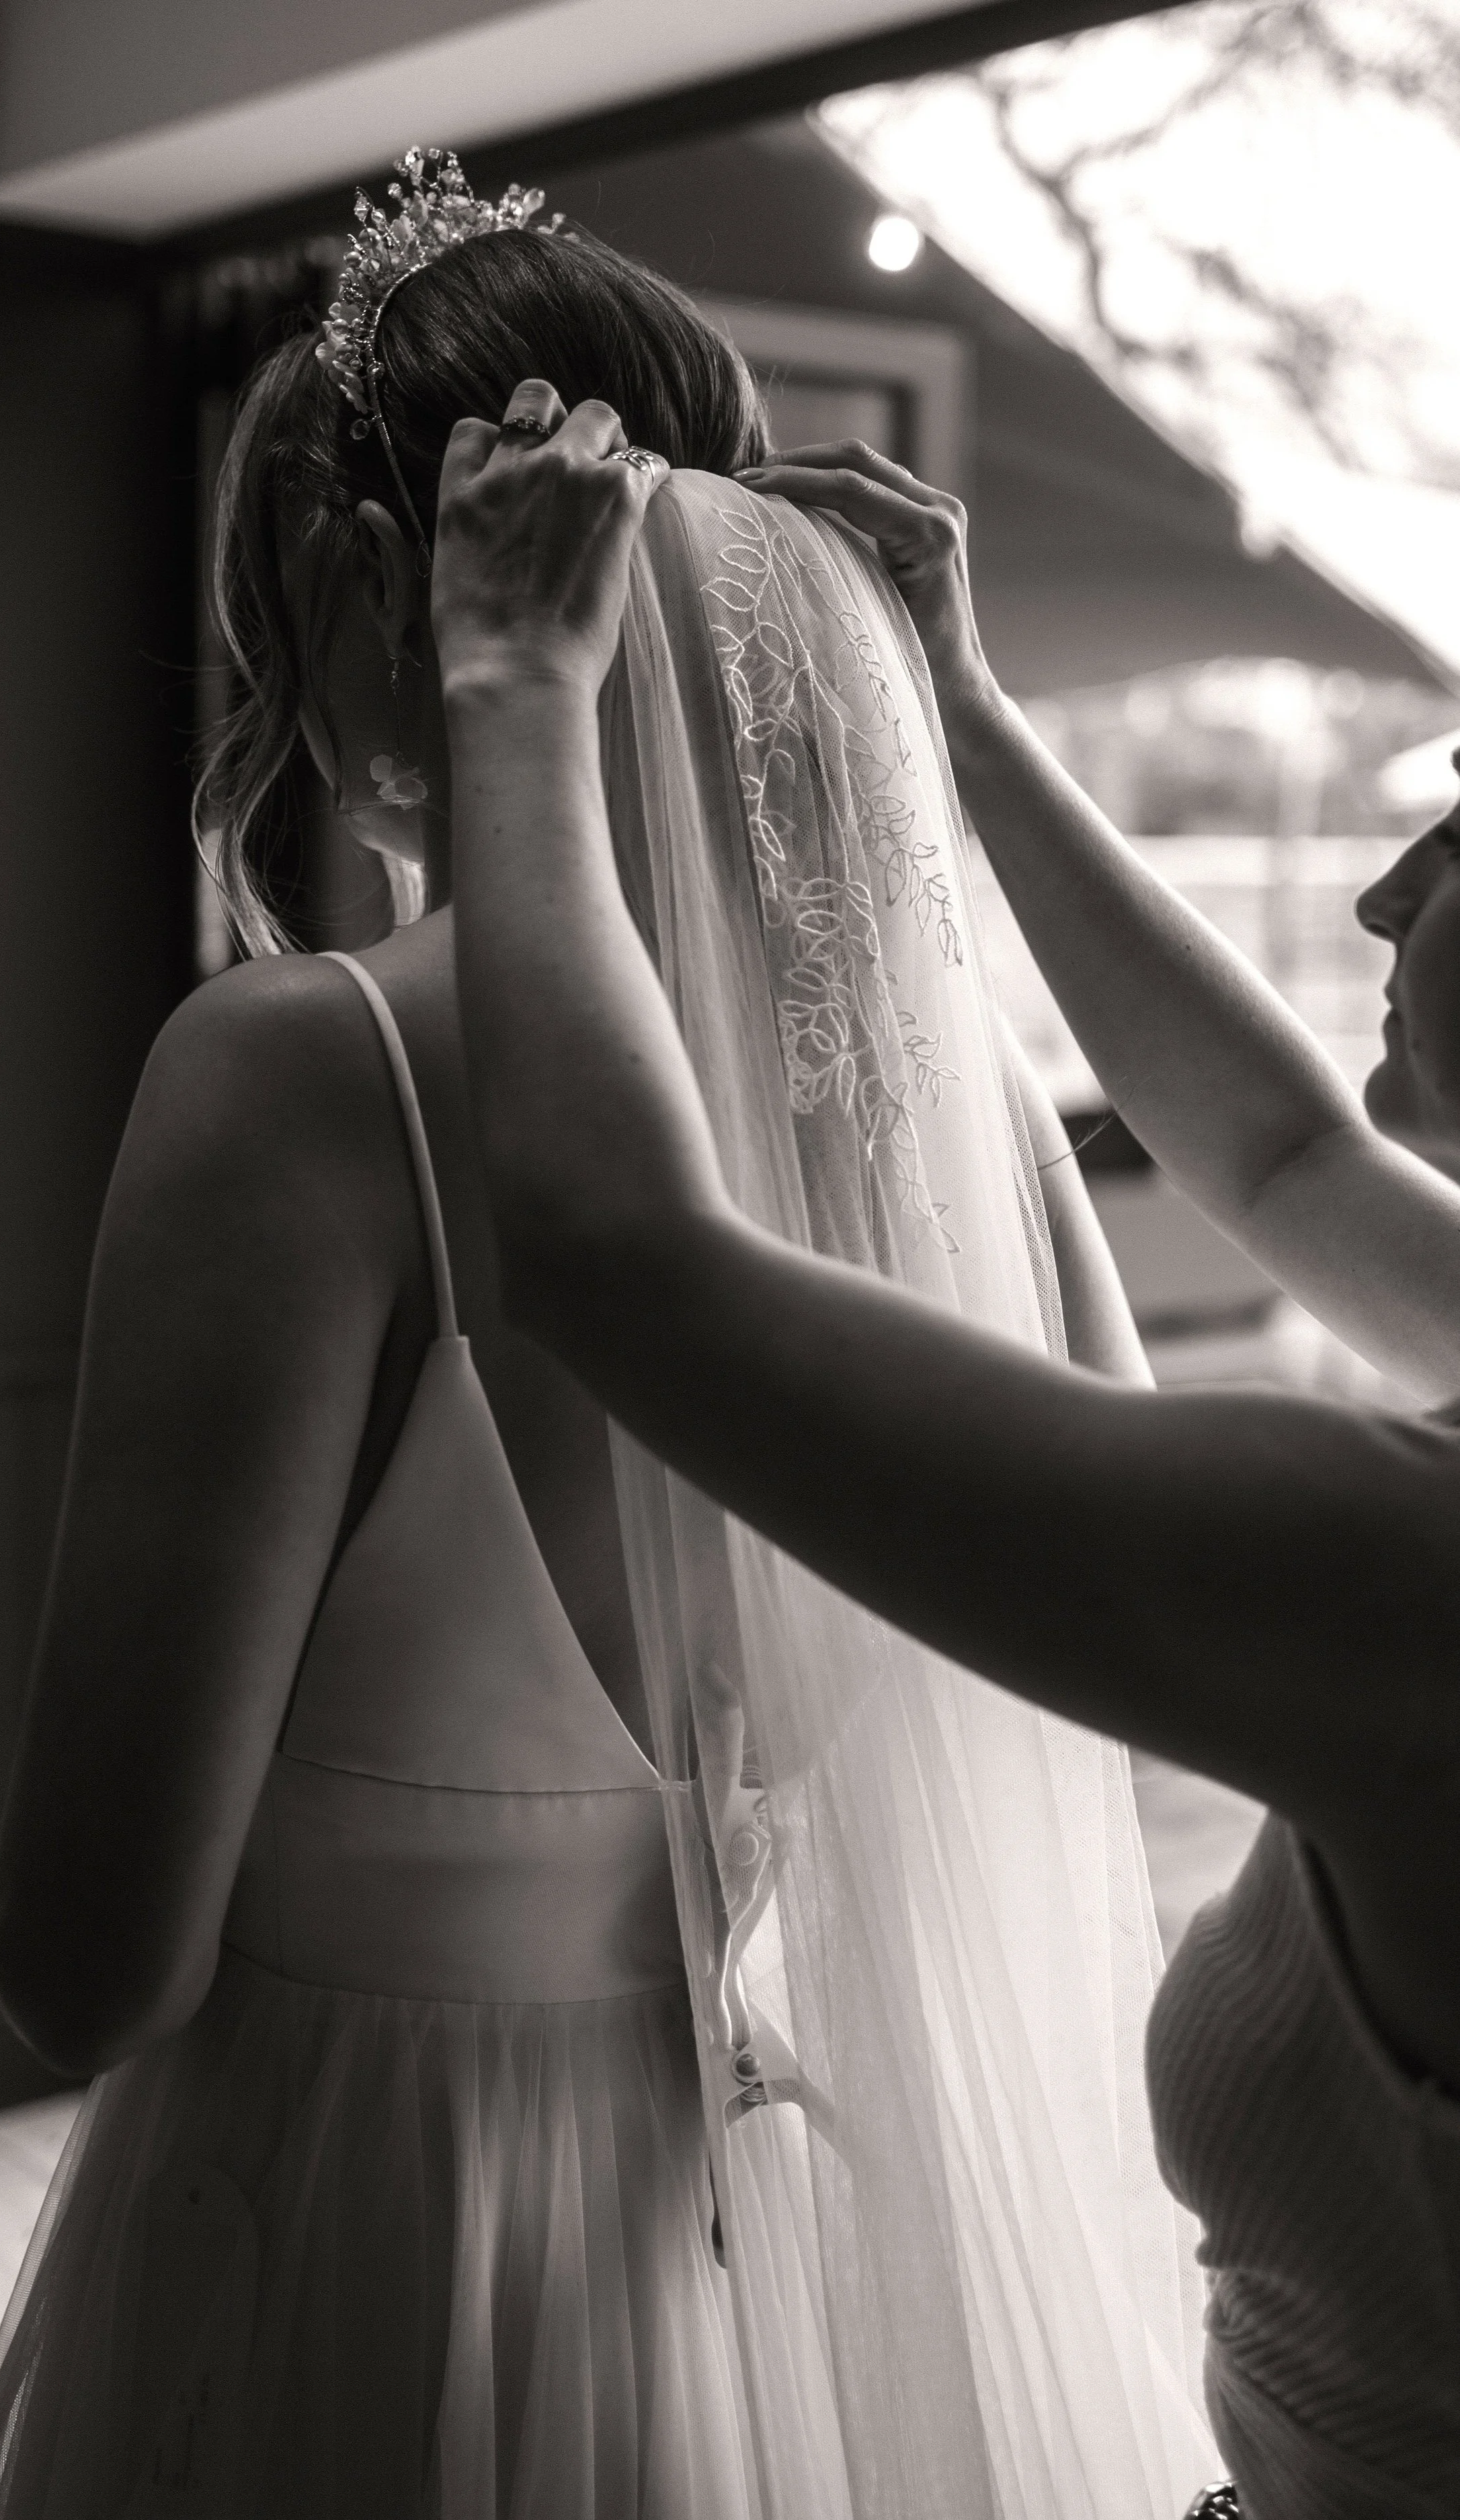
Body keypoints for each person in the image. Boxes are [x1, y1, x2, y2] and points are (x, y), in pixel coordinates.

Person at [0, 157, 1221, 2520]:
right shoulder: (946, 1119)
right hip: (747, 2288)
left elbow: (88, 1963)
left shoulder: (304, 1072)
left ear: (352, 585)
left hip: (353, 2249)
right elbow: (1080, 1697)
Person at [440, 388, 1460, 2520]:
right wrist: (964, 709)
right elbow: (1277, 1151)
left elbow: (623, 1267)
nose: (1374, 895)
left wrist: (513, 695)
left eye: (1459, 833)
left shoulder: (1394, 1575)